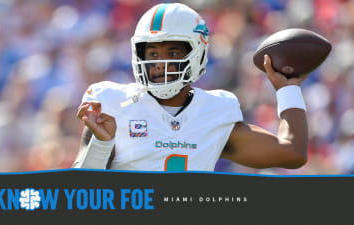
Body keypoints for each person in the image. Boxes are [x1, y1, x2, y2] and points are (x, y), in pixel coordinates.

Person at [72, 3, 308, 171]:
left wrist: (288, 89)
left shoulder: (215, 112)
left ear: (198, 54)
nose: (160, 64)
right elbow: (79, 196)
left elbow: (292, 153)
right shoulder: (113, 103)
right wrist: (102, 144)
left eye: (172, 52)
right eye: (152, 53)